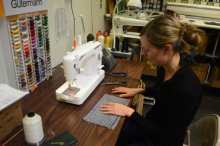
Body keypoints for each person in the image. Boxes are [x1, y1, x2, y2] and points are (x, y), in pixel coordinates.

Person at [100, 14, 207, 146]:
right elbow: (164, 91)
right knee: (107, 136)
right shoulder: (164, 68)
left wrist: (129, 112)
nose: (143, 54)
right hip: (150, 126)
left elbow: (166, 139)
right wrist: (139, 90)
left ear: (167, 49)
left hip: (161, 141)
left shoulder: (187, 91)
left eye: (147, 50)